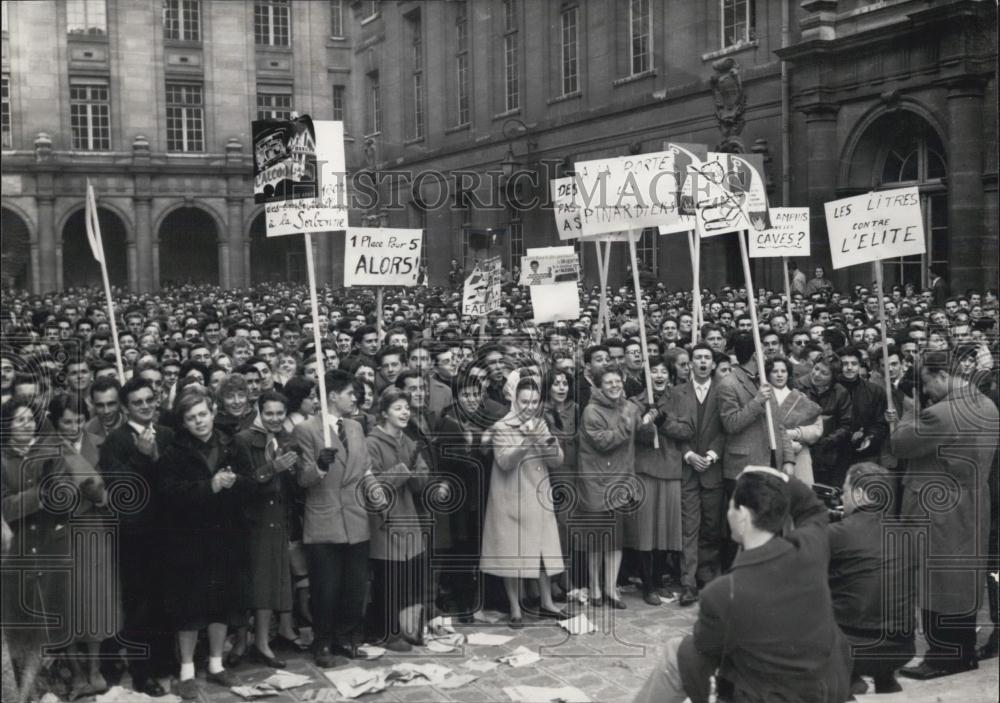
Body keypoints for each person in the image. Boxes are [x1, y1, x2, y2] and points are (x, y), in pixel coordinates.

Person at [632, 467, 851, 703]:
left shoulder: (722, 593)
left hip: (766, 696)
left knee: (678, 653)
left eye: (731, 505)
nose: (728, 513)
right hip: (823, 691)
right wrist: (780, 479)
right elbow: (813, 509)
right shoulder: (810, 552)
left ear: (743, 516)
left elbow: (705, 652)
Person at [890, 349, 999, 678]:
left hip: (938, 510)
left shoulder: (941, 414)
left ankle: (944, 656)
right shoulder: (987, 405)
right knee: (962, 580)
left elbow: (899, 444)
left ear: (941, 375)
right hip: (973, 501)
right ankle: (962, 650)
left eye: (927, 384)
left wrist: (908, 412)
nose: (925, 391)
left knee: (937, 580)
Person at [157, 387, 248, 699]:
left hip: (225, 535)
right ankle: (186, 671)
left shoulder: (230, 444)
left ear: (212, 412)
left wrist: (236, 485)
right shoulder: (173, 452)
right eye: (191, 418)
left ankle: (216, 664)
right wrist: (208, 486)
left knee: (220, 602)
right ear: (183, 423)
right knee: (190, 606)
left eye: (203, 415)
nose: (199, 422)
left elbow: (246, 483)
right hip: (189, 540)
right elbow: (169, 493)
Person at [293, 369, 377, 667]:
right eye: (350, 393)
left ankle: (345, 636)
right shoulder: (306, 430)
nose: (355, 398)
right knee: (325, 588)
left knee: (354, 586)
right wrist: (318, 466)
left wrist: (376, 491)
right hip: (324, 519)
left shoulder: (355, 426)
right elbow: (302, 480)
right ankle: (323, 641)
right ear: (333, 395)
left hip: (356, 518)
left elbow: (364, 466)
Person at [97, 377, 175, 697]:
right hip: (135, 536)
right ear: (127, 407)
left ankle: (163, 663)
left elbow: (173, 479)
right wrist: (142, 456)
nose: (144, 406)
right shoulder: (115, 440)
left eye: (148, 399)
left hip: (167, 531)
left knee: (165, 599)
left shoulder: (168, 435)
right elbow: (121, 487)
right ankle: (142, 673)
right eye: (137, 402)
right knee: (139, 605)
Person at [480, 377, 567, 626]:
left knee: (542, 554)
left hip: (538, 498)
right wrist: (526, 441)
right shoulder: (502, 426)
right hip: (512, 500)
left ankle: (547, 603)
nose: (530, 406)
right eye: (525, 401)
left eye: (534, 401)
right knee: (513, 556)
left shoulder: (540, 424)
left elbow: (557, 460)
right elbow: (505, 461)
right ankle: (515, 608)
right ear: (514, 400)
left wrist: (545, 441)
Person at [1, 397, 71, 703]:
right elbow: (4, 506)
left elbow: (64, 495)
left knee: (43, 630)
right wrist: (39, 496)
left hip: (46, 550)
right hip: (12, 556)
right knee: (16, 631)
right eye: (19, 420)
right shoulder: (2, 459)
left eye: (31, 419)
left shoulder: (48, 453)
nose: (27, 424)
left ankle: (36, 691)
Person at [49, 393, 118, 699]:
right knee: (67, 604)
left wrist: (92, 486)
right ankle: (77, 674)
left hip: (93, 529)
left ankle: (94, 671)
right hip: (59, 532)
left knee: (94, 602)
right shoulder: (44, 451)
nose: (74, 426)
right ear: (55, 422)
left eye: (79, 419)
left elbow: (106, 494)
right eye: (67, 421)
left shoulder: (100, 443)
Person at [828, 462, 916, 695]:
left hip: (854, 649)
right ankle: (885, 679)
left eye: (844, 491)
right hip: (903, 647)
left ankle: (846, 682)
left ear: (858, 494)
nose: (843, 498)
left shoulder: (837, 534)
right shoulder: (905, 534)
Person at [231, 390, 301, 669]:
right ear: (259, 412)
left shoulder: (285, 439)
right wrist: (273, 468)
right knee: (251, 581)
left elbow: (292, 486)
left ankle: (261, 642)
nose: (274, 418)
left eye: (279, 413)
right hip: (252, 520)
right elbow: (244, 482)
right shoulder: (244, 439)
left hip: (278, 517)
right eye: (269, 413)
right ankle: (242, 642)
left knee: (270, 580)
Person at [578, 367, 652, 608]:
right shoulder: (591, 411)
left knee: (616, 540)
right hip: (597, 483)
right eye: (608, 382)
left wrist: (649, 421)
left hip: (621, 481)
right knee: (598, 541)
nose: (614, 385)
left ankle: (611, 589)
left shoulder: (629, 408)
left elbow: (641, 433)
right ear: (599, 387)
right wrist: (626, 425)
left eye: (617, 381)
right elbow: (603, 442)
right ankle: (595, 589)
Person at [365, 387, 430, 650]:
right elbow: (372, 484)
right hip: (385, 520)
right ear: (383, 414)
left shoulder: (408, 441)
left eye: (406, 408)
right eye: (398, 408)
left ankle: (409, 628)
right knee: (388, 577)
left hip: (409, 518)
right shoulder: (372, 443)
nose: (405, 412)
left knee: (409, 576)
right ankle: (386, 633)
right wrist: (404, 471)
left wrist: (417, 475)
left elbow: (422, 478)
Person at [625, 356, 693, 606]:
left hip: (671, 468)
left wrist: (662, 420)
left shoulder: (679, 399)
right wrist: (645, 423)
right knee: (645, 530)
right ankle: (647, 584)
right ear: (647, 375)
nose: (659, 375)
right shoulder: (635, 402)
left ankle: (658, 578)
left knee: (666, 530)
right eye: (653, 371)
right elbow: (633, 436)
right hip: (645, 469)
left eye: (663, 370)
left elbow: (686, 431)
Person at [672, 344, 726, 605]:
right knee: (689, 527)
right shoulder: (677, 393)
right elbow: (673, 428)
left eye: (707, 358)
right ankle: (688, 582)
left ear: (713, 363)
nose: (703, 362)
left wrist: (712, 455)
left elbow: (727, 427)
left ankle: (708, 576)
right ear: (690, 363)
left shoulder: (723, 390)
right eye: (698, 358)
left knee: (711, 526)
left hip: (713, 468)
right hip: (688, 468)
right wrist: (688, 455)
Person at [765, 357, 824, 484]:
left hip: (800, 452)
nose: (780, 375)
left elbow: (817, 429)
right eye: (775, 371)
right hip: (771, 454)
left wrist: (796, 433)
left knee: (801, 496)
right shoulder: (763, 398)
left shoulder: (800, 397)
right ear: (768, 374)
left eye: (783, 371)